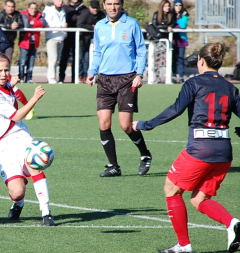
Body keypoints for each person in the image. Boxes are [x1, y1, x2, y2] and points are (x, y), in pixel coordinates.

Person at [133, 43, 240, 253]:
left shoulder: (194, 83)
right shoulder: (230, 87)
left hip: (200, 149)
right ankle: (233, 223)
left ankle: (183, 245)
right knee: (199, 199)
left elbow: (175, 109)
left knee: (171, 190)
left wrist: (146, 124)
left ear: (201, 60)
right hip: (224, 153)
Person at [0, 52, 56, 226]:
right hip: (1, 144)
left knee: (35, 162)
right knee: (17, 191)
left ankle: (46, 213)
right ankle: (18, 202)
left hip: (21, 135)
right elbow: (16, 116)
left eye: (6, 70)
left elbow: (11, 94)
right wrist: (35, 98)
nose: (3, 74)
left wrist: (12, 84)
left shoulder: (6, 84)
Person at [86, 0, 152, 177]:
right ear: (104, 6)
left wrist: (139, 74)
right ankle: (113, 166)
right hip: (105, 80)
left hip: (127, 79)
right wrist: (92, 72)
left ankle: (145, 154)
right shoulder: (99, 26)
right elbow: (98, 51)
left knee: (125, 125)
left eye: (116, 3)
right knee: (104, 123)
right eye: (109, 3)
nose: (112, 7)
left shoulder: (131, 24)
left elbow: (140, 50)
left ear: (121, 5)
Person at [58, 0, 87, 83]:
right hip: (66, 37)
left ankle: (74, 79)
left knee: (77, 59)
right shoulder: (65, 8)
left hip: (79, 38)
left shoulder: (84, 9)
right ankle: (61, 78)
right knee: (64, 58)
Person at [76, 0, 105, 82]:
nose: (95, 10)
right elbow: (79, 24)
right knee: (80, 59)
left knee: (88, 59)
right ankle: (80, 76)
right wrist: (92, 27)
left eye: (97, 8)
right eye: (93, 8)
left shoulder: (101, 15)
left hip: (93, 41)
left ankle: (86, 76)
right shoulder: (85, 14)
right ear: (90, 7)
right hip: (82, 40)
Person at [42, 0, 67, 84]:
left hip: (61, 37)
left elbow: (63, 21)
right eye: (59, 0)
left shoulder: (62, 10)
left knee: (57, 59)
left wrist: (64, 33)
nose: (60, 2)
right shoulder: (48, 9)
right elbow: (48, 23)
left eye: (62, 1)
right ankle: (51, 78)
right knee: (53, 59)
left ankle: (54, 77)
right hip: (52, 37)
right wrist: (61, 26)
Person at [19, 2, 44, 84]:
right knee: (22, 61)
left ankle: (29, 78)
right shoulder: (24, 14)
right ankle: (21, 77)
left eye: (35, 9)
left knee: (31, 62)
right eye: (32, 8)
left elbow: (43, 23)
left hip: (34, 43)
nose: (33, 10)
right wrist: (33, 24)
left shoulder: (39, 15)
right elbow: (26, 24)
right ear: (28, 9)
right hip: (25, 42)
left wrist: (34, 23)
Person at [171, 0, 189, 84]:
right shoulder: (171, 14)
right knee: (173, 58)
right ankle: (174, 75)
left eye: (180, 5)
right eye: (176, 5)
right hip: (173, 40)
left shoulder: (185, 14)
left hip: (182, 40)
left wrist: (174, 24)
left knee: (180, 58)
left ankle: (181, 76)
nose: (178, 7)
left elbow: (182, 25)